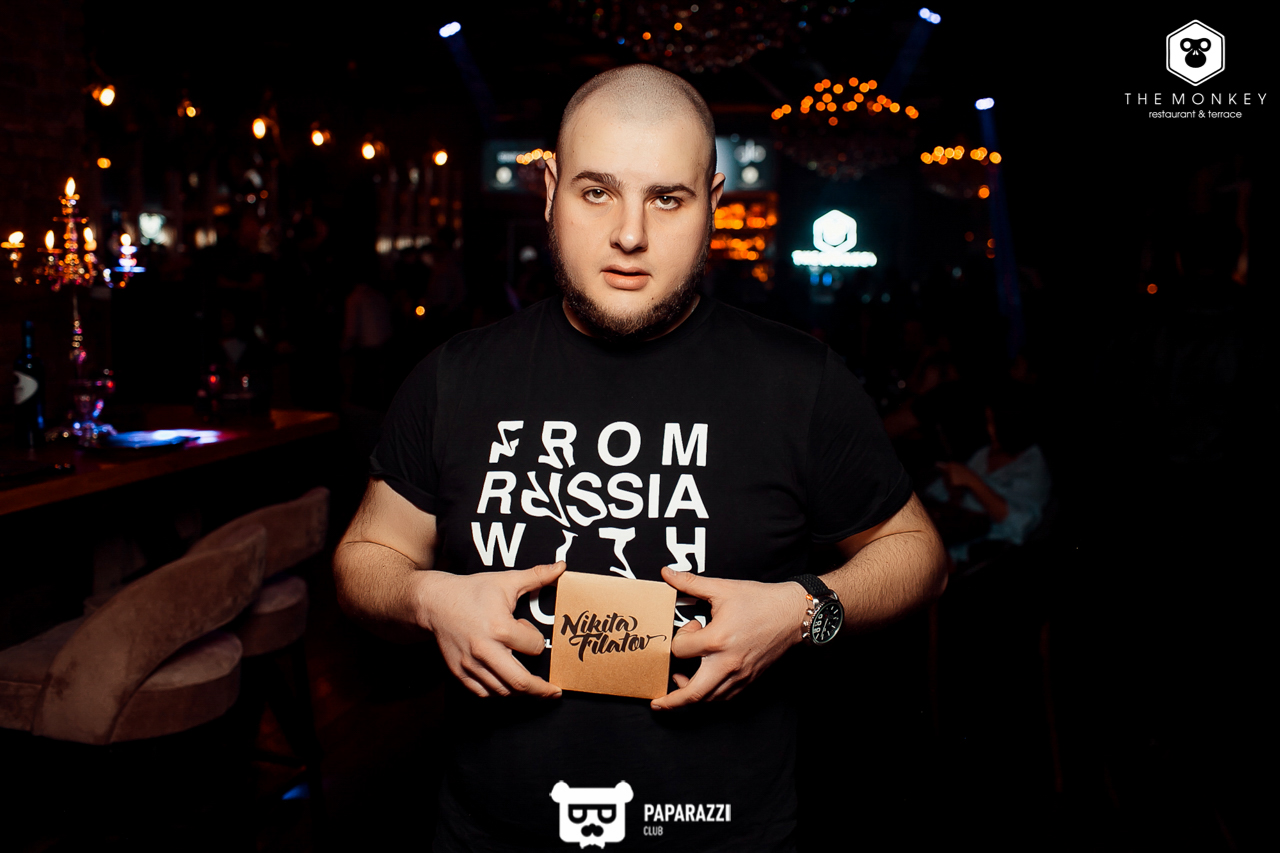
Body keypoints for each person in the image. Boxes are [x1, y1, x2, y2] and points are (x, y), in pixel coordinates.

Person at [334, 64, 948, 852]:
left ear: (713, 202)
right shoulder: (454, 377)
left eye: (667, 198)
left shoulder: (801, 382)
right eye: (597, 191)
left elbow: (919, 555)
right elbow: (366, 556)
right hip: (491, 834)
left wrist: (802, 612)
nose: (630, 234)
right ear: (549, 189)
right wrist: (426, 598)